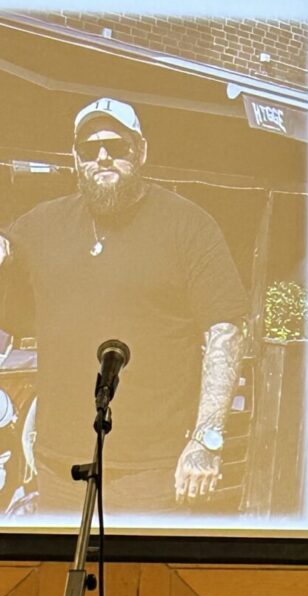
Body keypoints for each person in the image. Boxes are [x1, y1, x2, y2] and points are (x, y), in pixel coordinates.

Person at [0, 97, 249, 512]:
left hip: (153, 471)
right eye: (89, 149)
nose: (102, 157)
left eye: (115, 146)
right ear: (75, 158)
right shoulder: (44, 223)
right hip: (60, 468)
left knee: (142, 560)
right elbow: (8, 248)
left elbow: (226, 329)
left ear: (141, 151)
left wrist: (207, 440)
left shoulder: (187, 225)